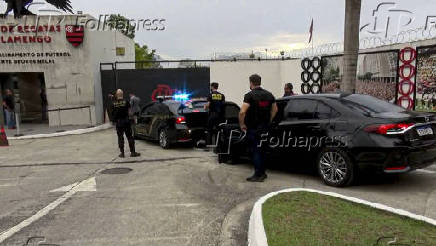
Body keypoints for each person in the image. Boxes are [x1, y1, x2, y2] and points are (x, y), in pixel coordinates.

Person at [239, 74, 278, 182]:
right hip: (265, 127)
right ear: (260, 82)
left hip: (253, 128)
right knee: (263, 150)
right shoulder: (269, 95)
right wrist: (269, 120)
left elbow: (242, 112)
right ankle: (263, 173)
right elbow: (275, 109)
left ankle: (258, 175)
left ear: (251, 83)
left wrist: (242, 124)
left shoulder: (249, 96)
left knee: (255, 151)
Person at [111, 89, 140, 158]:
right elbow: (130, 112)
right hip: (126, 121)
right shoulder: (126, 102)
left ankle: (122, 153)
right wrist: (132, 118)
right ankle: (132, 152)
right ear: (122, 94)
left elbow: (112, 114)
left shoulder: (113, 104)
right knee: (130, 137)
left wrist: (114, 122)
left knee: (120, 138)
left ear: (116, 95)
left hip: (119, 123)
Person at [204, 82, 225, 147]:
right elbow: (223, 105)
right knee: (218, 130)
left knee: (209, 129)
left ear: (212, 87)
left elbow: (208, 105)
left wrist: (205, 107)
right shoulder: (222, 95)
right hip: (220, 116)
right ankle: (218, 144)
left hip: (212, 115)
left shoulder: (210, 95)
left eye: (211, 86)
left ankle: (208, 144)